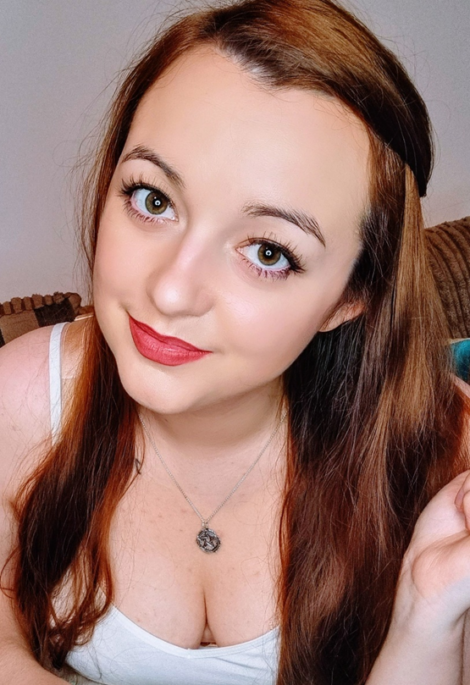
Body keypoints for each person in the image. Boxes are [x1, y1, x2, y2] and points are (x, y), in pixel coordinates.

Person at [1, 0, 469, 683]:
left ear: (350, 296)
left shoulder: (441, 454)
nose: (171, 291)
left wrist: (429, 614)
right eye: (153, 199)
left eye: (269, 251)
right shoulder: (20, 403)